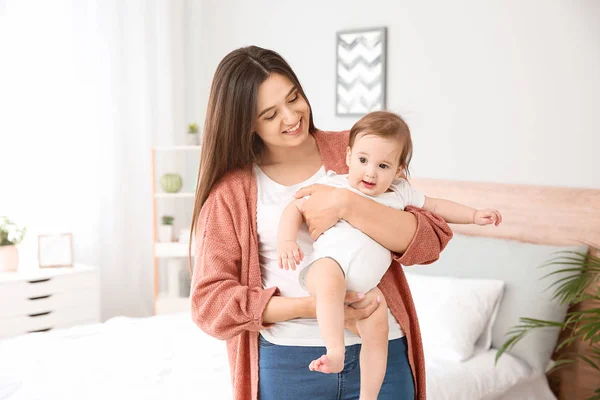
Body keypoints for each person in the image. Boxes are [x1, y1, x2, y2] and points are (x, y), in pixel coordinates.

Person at [189, 46, 453, 400]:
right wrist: (313, 307)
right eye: (270, 114)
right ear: (246, 123)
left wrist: (347, 204)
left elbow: (430, 239)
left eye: (293, 97)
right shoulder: (231, 192)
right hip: (289, 364)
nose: (290, 117)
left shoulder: (356, 150)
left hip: (383, 354)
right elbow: (210, 303)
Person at [277, 110, 502, 399]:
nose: (370, 172)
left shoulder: (400, 192)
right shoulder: (335, 183)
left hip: (365, 288)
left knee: (378, 328)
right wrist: (287, 240)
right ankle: (335, 350)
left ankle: (368, 396)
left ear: (398, 170)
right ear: (347, 157)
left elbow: (436, 206)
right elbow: (295, 207)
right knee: (331, 283)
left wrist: (473, 215)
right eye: (362, 160)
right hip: (326, 266)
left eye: (383, 165)